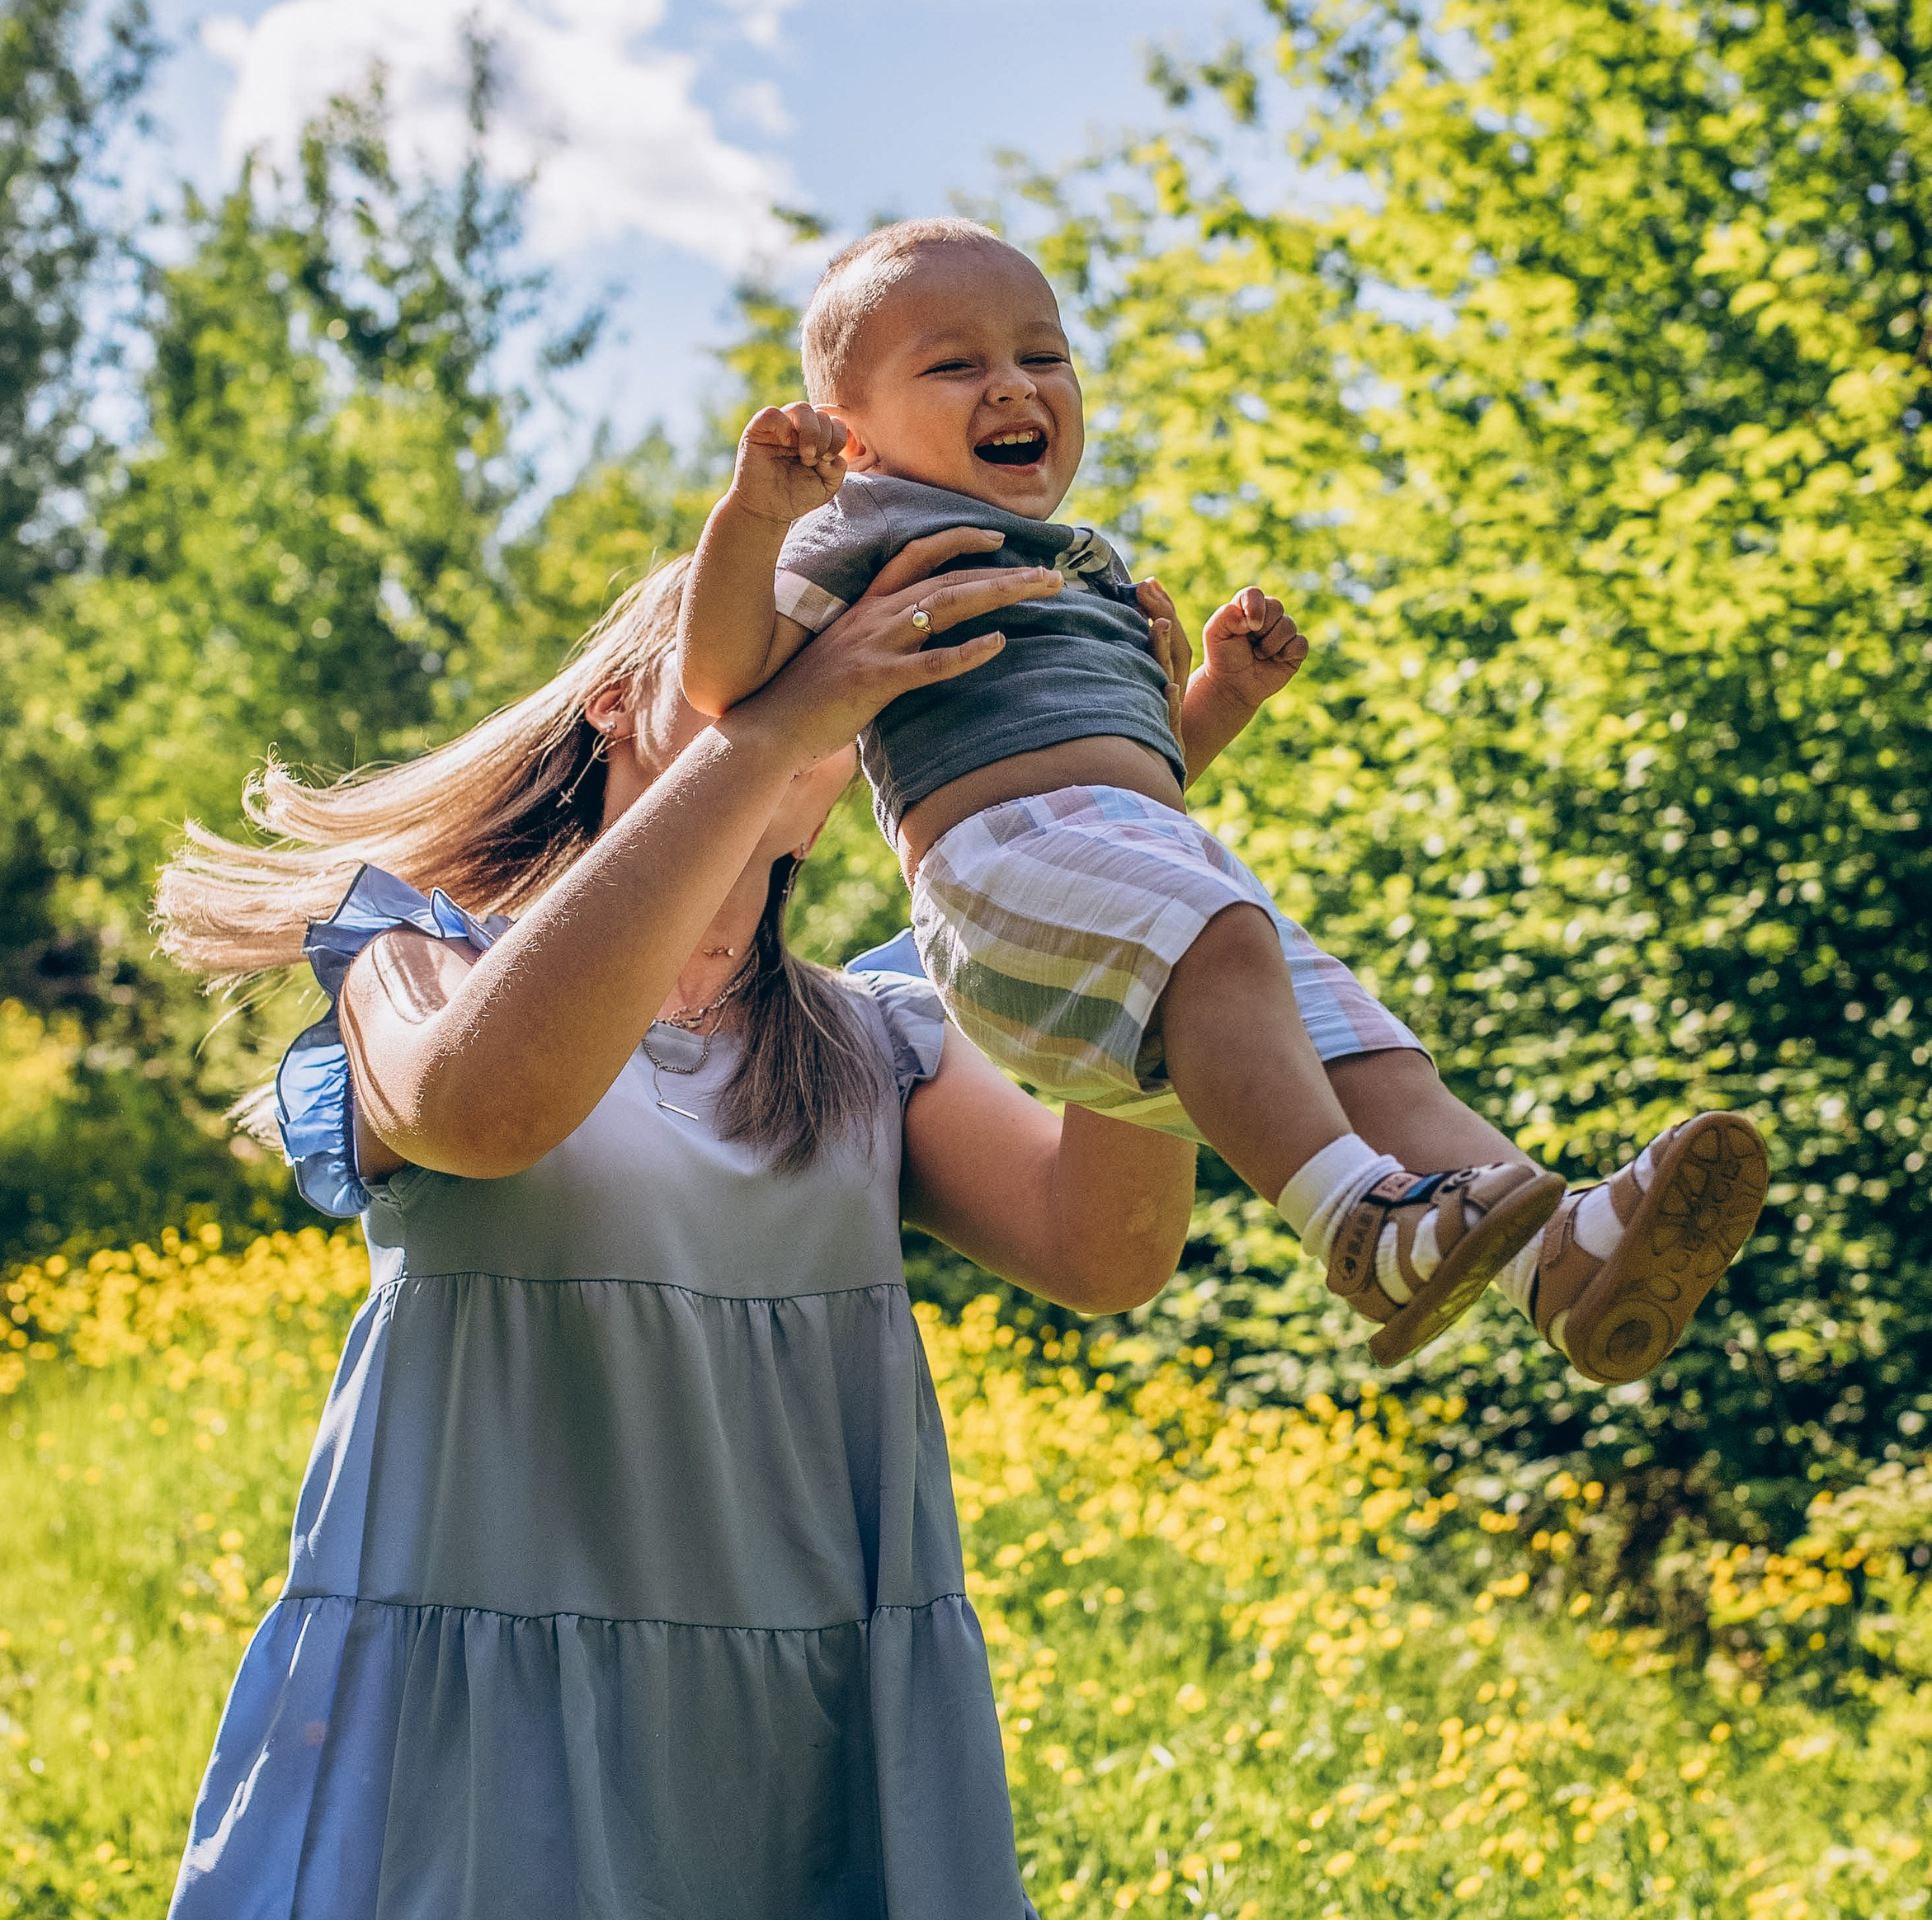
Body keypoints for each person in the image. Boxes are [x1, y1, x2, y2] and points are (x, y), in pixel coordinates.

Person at [130, 546, 1198, 1920]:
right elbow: (483, 1111)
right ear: (626, 704)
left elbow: (1109, 1251)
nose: (790, 698)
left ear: (853, 780)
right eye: (751, 667)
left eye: (821, 688)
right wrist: (763, 733)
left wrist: (1136, 851)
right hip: (477, 1753)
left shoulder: (877, 1042)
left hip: (798, 1759)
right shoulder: (412, 958)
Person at [678, 217, 1769, 1383]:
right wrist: (754, 519)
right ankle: (1359, 1222)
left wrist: (1218, 702)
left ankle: (1563, 1261)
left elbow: (1128, 771)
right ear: (852, 436)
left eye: (1043, 356)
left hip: (1140, 859)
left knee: (1369, 1052)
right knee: (1216, 933)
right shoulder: (861, 530)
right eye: (955, 365)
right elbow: (724, 677)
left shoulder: (1079, 563)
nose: (1014, 386)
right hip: (998, 878)